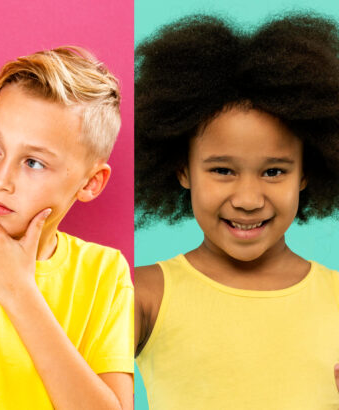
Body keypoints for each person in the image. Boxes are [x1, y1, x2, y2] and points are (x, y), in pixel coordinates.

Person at [134, 13, 339, 409]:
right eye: (223, 170)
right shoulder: (144, 295)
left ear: (305, 173)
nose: (248, 199)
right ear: (182, 169)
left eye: (274, 171)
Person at [0, 46, 133, 409]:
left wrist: (19, 292)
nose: (0, 180)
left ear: (91, 183)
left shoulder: (105, 274)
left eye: (33, 163)